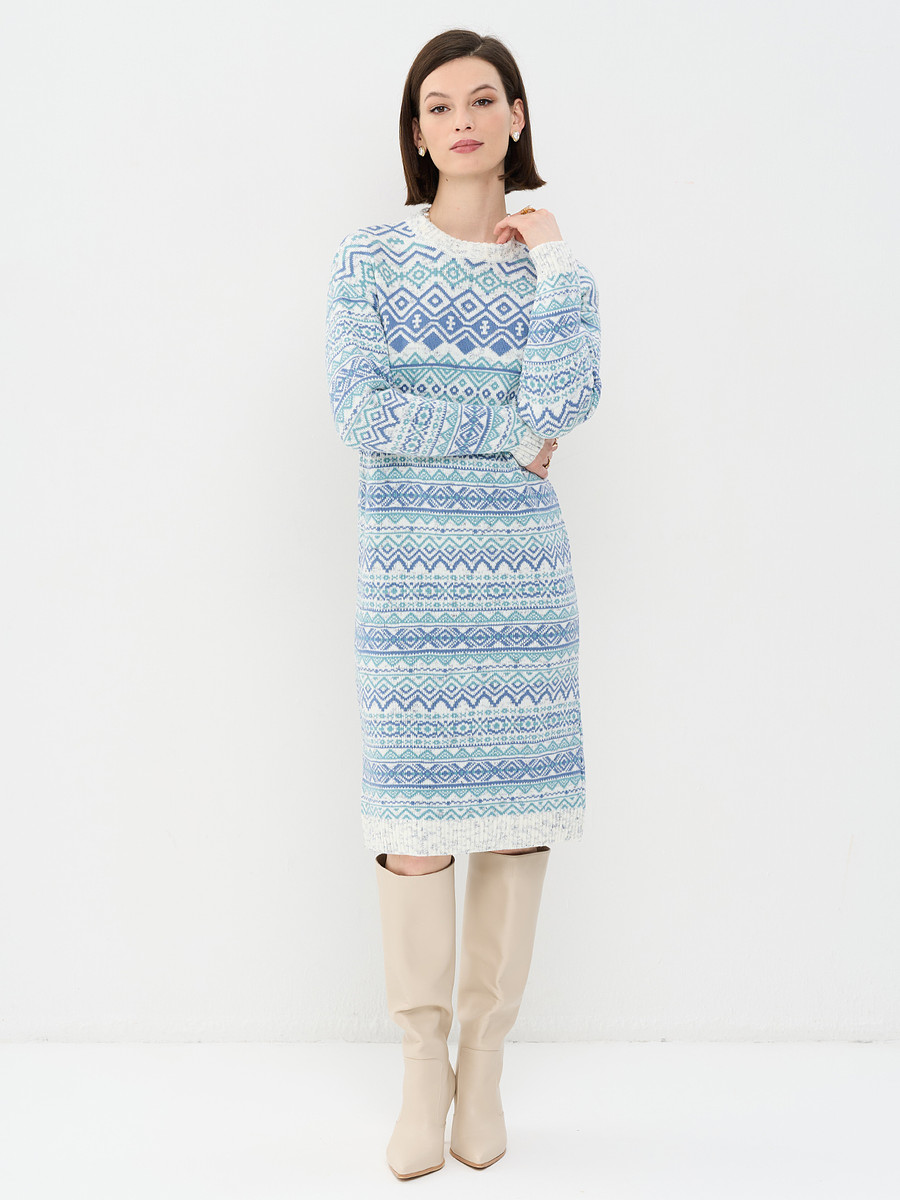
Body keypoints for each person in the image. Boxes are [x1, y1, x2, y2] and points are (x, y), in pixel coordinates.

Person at [324, 28, 601, 1180]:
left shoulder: (549, 269)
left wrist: (561, 262)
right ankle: (419, 1076)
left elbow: (568, 401)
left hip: (522, 584)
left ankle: (482, 1072)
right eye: (438, 106)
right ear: (418, 131)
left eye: (483, 100)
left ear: (517, 116)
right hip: (409, 585)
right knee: (413, 835)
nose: (462, 121)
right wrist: (505, 433)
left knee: (517, 824)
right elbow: (363, 410)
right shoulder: (371, 259)